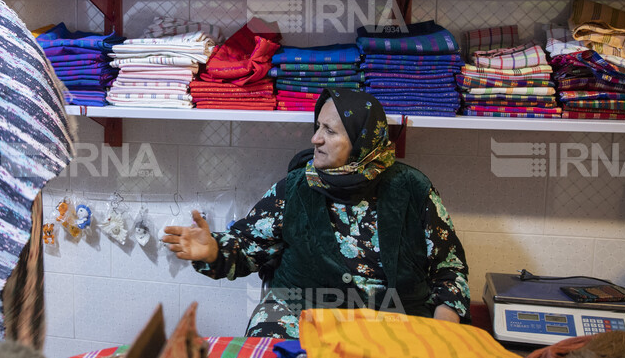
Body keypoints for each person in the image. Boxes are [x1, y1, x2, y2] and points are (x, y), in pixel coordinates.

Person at [162, 88, 470, 339]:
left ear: (362, 140)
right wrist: (214, 249)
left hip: (395, 315)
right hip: (301, 311)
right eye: (317, 127)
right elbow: (246, 248)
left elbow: (449, 270)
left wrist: (441, 333)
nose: (315, 139)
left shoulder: (412, 189)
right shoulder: (294, 188)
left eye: (330, 131)